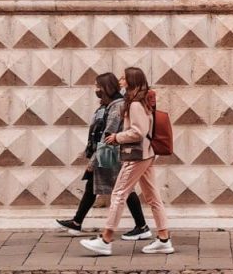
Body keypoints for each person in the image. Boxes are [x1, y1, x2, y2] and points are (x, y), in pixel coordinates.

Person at [80, 67, 173, 256]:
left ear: (130, 81)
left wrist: (117, 137)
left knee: (118, 194)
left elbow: (138, 131)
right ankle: (164, 239)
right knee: (153, 197)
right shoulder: (141, 101)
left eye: (123, 77)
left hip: (137, 155)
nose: (120, 80)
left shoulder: (135, 104)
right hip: (146, 154)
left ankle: (105, 239)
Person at [56, 72, 151, 241]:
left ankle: (140, 226)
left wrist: (92, 161)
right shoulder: (107, 105)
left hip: (111, 154)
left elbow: (108, 134)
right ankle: (77, 222)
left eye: (98, 86)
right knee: (95, 185)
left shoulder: (116, 106)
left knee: (124, 189)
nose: (96, 89)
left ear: (106, 87)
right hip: (106, 152)